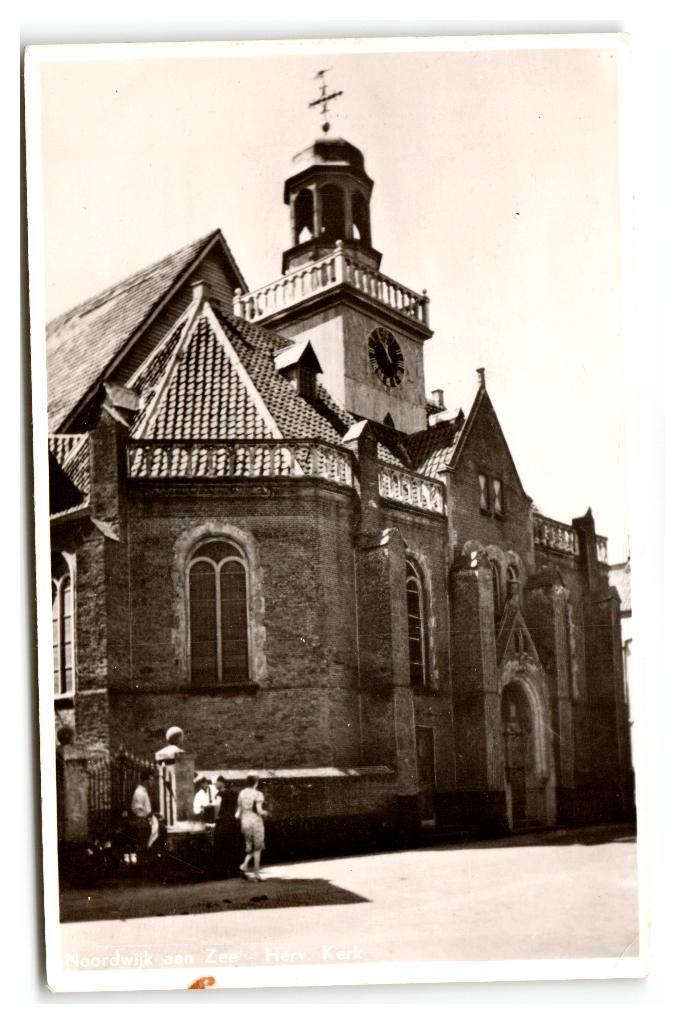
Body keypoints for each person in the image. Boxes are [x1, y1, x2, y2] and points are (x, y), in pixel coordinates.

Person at [235, 774, 268, 881]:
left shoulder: (241, 793)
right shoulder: (258, 794)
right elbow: (259, 810)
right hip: (255, 822)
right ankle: (257, 874)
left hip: (245, 821)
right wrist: (265, 812)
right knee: (258, 848)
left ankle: (243, 866)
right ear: (256, 783)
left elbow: (238, 812)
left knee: (249, 847)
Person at [129, 770, 159, 857]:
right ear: (146, 781)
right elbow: (137, 809)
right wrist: (148, 815)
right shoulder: (139, 793)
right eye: (151, 780)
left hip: (146, 819)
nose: (152, 782)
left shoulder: (144, 791)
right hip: (142, 821)